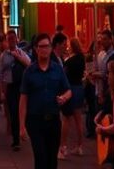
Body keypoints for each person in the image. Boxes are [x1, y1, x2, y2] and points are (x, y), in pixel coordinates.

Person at [18, 33, 72, 169]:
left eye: (47, 46)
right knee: (40, 157)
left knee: (52, 160)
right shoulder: (30, 71)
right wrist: (22, 126)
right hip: (35, 121)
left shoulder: (57, 69)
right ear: (36, 49)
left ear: (50, 48)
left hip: (53, 120)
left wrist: (64, 97)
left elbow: (68, 90)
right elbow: (23, 99)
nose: (44, 49)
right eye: (41, 47)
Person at [0, 30, 30, 152]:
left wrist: (18, 57)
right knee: (13, 113)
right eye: (9, 38)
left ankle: (22, 130)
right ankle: (16, 140)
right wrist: (1, 91)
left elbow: (29, 65)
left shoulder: (21, 52)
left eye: (13, 38)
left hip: (21, 87)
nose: (11, 40)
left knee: (22, 112)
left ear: (16, 39)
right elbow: (0, 74)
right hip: (10, 87)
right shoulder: (3, 56)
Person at [60, 37, 86, 159]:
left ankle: (63, 146)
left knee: (66, 119)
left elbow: (64, 74)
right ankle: (79, 146)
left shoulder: (69, 61)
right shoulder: (82, 59)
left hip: (70, 88)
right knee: (78, 119)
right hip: (79, 88)